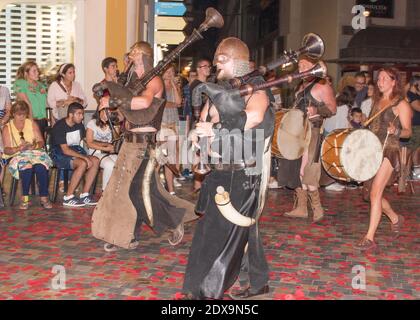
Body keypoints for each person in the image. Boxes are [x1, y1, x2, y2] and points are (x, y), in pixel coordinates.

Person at [182, 37, 274, 300]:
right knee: (242, 229)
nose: (215, 64)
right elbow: (204, 120)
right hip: (220, 170)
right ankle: (257, 282)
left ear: (234, 60)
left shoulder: (256, 86)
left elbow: (254, 116)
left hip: (243, 172)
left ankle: (205, 291)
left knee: (220, 231)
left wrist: (216, 129)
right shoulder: (221, 88)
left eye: (220, 59)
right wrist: (197, 138)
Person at [92, 41, 196, 252]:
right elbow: (125, 112)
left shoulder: (154, 81)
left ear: (146, 59)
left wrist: (114, 100)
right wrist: (108, 110)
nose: (134, 64)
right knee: (128, 191)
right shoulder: (134, 83)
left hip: (145, 147)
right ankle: (125, 234)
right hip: (129, 144)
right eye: (133, 59)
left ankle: (173, 222)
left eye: (138, 60)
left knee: (136, 192)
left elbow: (143, 103)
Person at [354, 68, 412, 251]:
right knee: (371, 194)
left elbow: (408, 132)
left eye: (385, 78)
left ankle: (369, 237)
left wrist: (396, 131)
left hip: (390, 150)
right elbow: (374, 127)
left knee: (375, 193)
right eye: (379, 78)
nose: (380, 81)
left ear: (394, 81)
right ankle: (395, 218)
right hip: (373, 150)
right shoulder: (376, 101)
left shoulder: (401, 104)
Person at [278, 56, 337, 222]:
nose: (301, 68)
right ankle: (301, 208)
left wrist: (316, 109)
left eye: (305, 65)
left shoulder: (322, 84)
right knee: (297, 170)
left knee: (309, 171)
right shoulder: (301, 85)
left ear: (315, 67)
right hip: (298, 133)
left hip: (313, 132)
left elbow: (332, 109)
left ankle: (317, 208)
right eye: (299, 65)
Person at [2, 101, 53, 209]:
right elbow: (6, 150)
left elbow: (41, 142)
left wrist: (33, 146)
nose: (21, 117)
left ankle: (44, 197)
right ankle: (24, 198)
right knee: (27, 167)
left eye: (24, 115)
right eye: (18, 115)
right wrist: (18, 148)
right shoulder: (7, 128)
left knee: (41, 167)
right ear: (13, 114)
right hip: (16, 154)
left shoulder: (31, 123)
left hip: (33, 152)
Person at [50, 102, 99, 207]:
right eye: (79, 114)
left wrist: (104, 145)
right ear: (71, 115)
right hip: (59, 153)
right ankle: (68, 197)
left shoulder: (79, 125)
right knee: (82, 163)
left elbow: (88, 141)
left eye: (82, 114)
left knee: (95, 160)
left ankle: (85, 194)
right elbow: (65, 150)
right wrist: (85, 158)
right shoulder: (59, 126)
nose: (82, 116)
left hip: (75, 150)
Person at [190, 58, 212, 193]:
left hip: (205, 122)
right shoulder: (197, 85)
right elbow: (196, 106)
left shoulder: (206, 84)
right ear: (198, 69)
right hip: (200, 122)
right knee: (200, 154)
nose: (208, 68)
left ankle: (200, 186)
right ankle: (198, 186)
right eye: (205, 66)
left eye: (209, 66)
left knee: (203, 154)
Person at [86, 105, 119, 192]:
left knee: (120, 162)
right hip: (95, 153)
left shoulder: (113, 125)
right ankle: (105, 191)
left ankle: (115, 188)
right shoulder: (92, 123)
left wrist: (114, 125)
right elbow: (89, 143)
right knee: (109, 164)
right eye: (104, 112)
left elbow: (115, 141)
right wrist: (105, 147)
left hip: (109, 153)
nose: (106, 115)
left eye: (109, 112)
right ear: (99, 111)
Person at [161, 64, 183, 195]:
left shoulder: (174, 86)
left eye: (172, 72)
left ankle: (170, 188)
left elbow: (179, 102)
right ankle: (164, 186)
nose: (169, 74)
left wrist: (175, 86)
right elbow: (161, 103)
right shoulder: (159, 86)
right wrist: (173, 104)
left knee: (175, 156)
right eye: (167, 71)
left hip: (174, 123)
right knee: (163, 157)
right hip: (163, 124)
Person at [13, 61, 49, 137]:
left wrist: (50, 119)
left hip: (43, 120)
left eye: (37, 70)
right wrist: (31, 121)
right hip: (29, 119)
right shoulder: (20, 83)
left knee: (42, 145)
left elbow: (46, 103)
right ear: (26, 73)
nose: (37, 73)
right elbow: (26, 102)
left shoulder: (41, 85)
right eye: (34, 71)